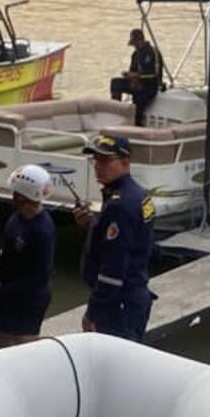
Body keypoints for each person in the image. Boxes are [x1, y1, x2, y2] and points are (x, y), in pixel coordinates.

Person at [74, 134, 155, 341]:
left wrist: (94, 312)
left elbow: (113, 268)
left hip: (119, 304)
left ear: (125, 162)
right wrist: (92, 225)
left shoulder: (120, 204)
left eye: (105, 161)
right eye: (96, 160)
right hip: (132, 296)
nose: (98, 166)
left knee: (117, 367)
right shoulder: (136, 194)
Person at [0, 165, 56, 349]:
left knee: (24, 346)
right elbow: (7, 253)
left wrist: (0, 292)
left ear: (21, 196)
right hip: (10, 293)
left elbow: (38, 278)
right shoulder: (17, 218)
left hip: (30, 298)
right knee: (1, 342)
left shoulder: (42, 230)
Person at [109, 28, 162, 126]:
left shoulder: (152, 52)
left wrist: (137, 76)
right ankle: (116, 113)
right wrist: (129, 76)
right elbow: (132, 70)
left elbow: (154, 74)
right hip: (137, 83)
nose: (135, 47)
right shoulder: (135, 55)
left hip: (149, 85)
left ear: (141, 41)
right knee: (116, 83)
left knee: (139, 97)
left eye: (136, 44)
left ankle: (137, 123)